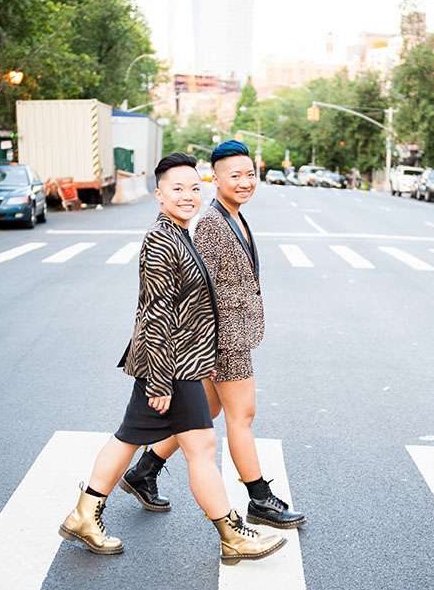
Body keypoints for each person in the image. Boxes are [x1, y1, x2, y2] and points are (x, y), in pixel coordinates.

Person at [58, 152, 286, 564]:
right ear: (159, 194)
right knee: (200, 448)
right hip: (172, 366)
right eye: (177, 189)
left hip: (181, 362)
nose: (188, 196)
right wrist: (161, 381)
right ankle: (231, 535)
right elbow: (156, 314)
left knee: (129, 439)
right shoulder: (162, 240)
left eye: (194, 189)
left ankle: (84, 514)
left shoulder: (179, 233)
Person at [121, 141, 306, 529]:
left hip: (231, 335)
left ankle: (143, 471)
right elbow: (194, 289)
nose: (245, 182)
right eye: (234, 175)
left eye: (250, 174)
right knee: (242, 415)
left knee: (204, 413)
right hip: (224, 341)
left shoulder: (234, 216)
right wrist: (205, 347)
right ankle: (259, 498)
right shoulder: (210, 224)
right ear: (216, 179)